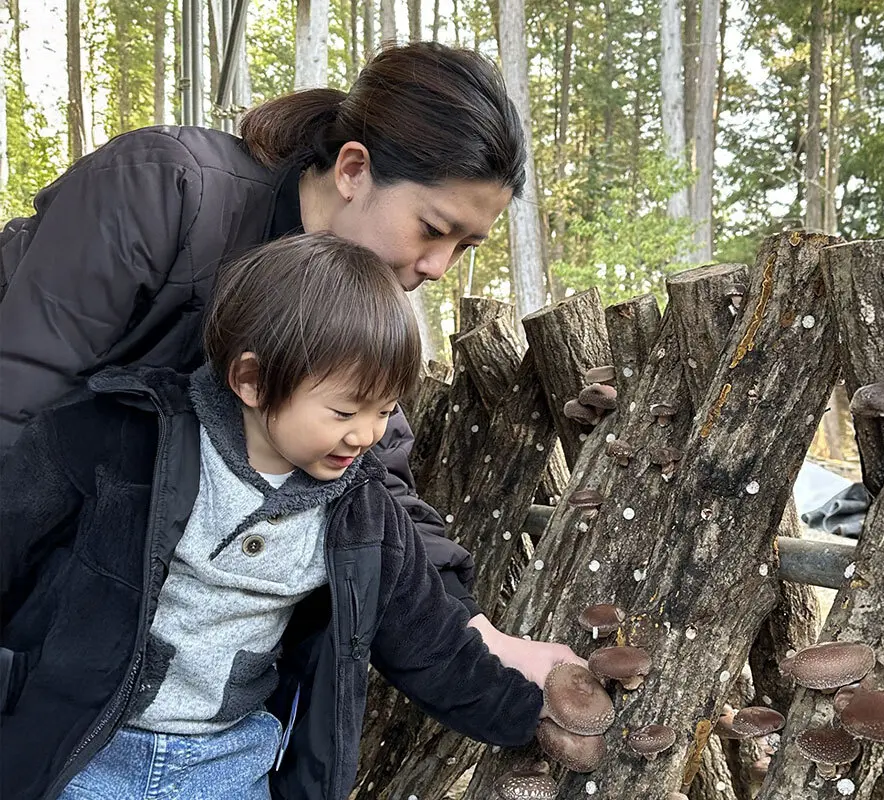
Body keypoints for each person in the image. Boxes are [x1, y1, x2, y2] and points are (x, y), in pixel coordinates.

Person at [0, 41, 577, 681]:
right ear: (354, 171)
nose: (440, 268)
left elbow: (375, 486)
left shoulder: (359, 304)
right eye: (433, 229)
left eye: (466, 246)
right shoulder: (162, 191)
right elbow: (14, 400)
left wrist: (480, 638)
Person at [0, 233, 546, 800]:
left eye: (384, 411)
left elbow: (426, 639)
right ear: (252, 381)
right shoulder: (121, 443)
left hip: (229, 765)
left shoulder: (361, 512)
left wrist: (529, 714)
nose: (366, 435)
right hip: (82, 752)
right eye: (343, 411)